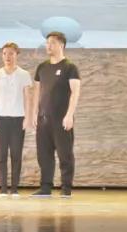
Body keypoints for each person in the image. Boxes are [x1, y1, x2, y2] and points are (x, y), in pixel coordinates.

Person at [31, 31, 81, 199]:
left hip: (62, 119)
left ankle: (66, 188)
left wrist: (69, 115)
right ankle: (45, 187)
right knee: (44, 155)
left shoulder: (70, 67)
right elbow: (37, 92)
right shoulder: (42, 67)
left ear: (61, 45)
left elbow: (75, 92)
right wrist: (34, 113)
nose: (48, 46)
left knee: (65, 154)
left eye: (52, 43)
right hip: (43, 119)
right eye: (47, 43)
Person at [0, 42, 34, 198]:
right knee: (1, 156)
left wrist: (27, 118)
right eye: (5, 53)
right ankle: (3, 188)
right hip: (0, 119)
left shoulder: (24, 74)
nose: (7, 56)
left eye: (11, 53)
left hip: (18, 119)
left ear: (16, 55)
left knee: (16, 155)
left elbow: (28, 98)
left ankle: (14, 188)